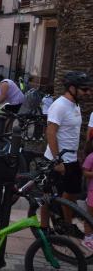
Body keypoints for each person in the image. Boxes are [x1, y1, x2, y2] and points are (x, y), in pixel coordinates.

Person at [40, 71, 93, 234]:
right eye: (84, 90)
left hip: (71, 159)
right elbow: (50, 132)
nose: (88, 93)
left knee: (71, 193)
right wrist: (57, 160)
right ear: (72, 88)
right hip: (57, 160)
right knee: (47, 197)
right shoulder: (60, 105)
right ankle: (43, 228)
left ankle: (66, 224)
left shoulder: (75, 104)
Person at [82, 128, 93, 250]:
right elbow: (85, 173)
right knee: (89, 215)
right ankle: (87, 238)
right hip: (92, 192)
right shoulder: (91, 157)